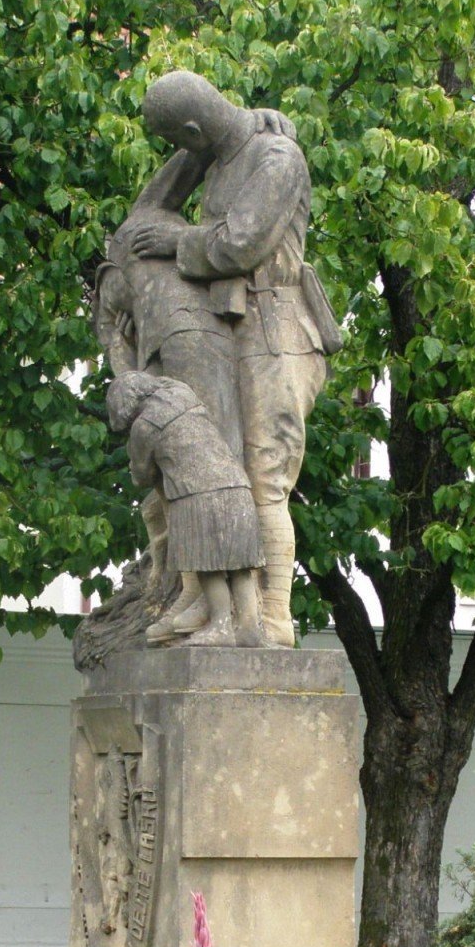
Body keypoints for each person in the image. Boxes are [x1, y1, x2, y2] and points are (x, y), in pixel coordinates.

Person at [127, 71, 341, 647]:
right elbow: (146, 211)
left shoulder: (277, 156)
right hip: (236, 328)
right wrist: (207, 145)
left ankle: (272, 618)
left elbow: (239, 243)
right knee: (211, 477)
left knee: (263, 481)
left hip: (279, 333)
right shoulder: (223, 156)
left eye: (181, 141)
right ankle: (201, 603)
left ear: (194, 129)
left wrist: (178, 243)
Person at [92, 205, 242, 640]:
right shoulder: (148, 339)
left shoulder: (174, 308)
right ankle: (216, 608)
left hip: (213, 490)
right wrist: (123, 348)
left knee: (191, 505)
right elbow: (131, 388)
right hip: (213, 490)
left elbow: (146, 456)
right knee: (174, 505)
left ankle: (228, 614)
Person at [106, 371, 265, 648]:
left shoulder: (144, 427)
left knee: (207, 564)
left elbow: (141, 475)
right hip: (237, 486)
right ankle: (249, 627)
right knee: (240, 565)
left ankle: (220, 626)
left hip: (195, 493)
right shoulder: (181, 393)